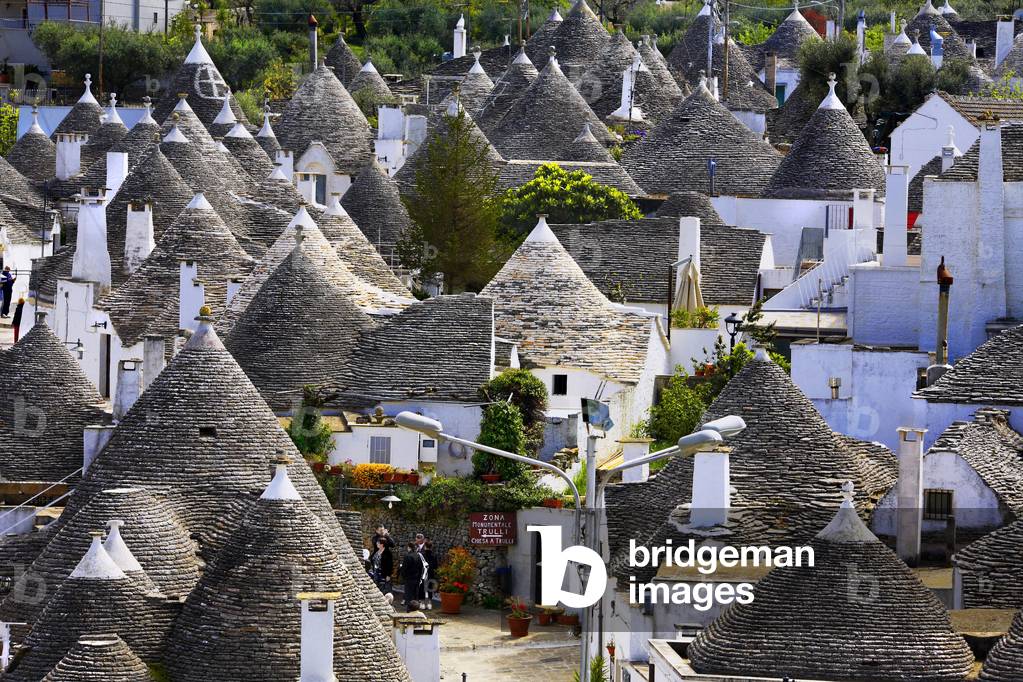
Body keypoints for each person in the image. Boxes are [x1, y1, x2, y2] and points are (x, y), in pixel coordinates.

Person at [400, 542, 423, 613]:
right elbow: (421, 567)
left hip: (409, 578)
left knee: (409, 595)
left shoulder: (407, 556)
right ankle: (416, 609)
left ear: (409, 547)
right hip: (416, 577)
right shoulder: (418, 556)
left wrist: (403, 576)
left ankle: (409, 610)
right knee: (415, 594)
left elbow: (404, 568)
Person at [420, 540, 437, 610]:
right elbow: (436, 566)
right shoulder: (434, 555)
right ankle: (429, 603)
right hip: (431, 573)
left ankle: (423, 603)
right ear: (431, 547)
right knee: (430, 588)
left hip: (423, 573)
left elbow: (420, 564)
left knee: (422, 588)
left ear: (425, 547)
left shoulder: (422, 555)